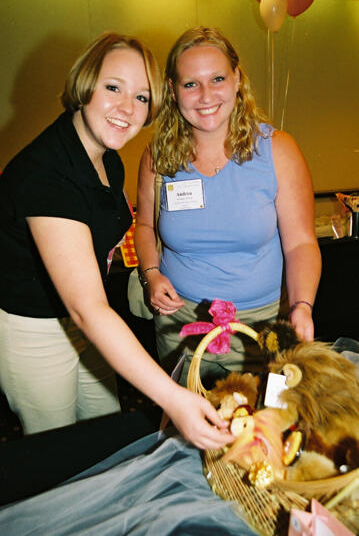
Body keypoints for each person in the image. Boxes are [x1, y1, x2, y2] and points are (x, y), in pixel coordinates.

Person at [0, 31, 234, 450]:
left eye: (142, 97)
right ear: (84, 85)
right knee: (59, 450)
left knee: (104, 429)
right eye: (113, 88)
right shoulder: (46, 174)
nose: (128, 109)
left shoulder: (106, 158)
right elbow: (87, 307)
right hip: (33, 326)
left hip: (86, 318)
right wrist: (174, 398)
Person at [135, 27, 321, 386]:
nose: (205, 95)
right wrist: (152, 274)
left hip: (261, 328)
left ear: (237, 80)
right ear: (172, 90)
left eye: (217, 78)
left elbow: (300, 243)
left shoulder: (277, 150)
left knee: (260, 430)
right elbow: (145, 226)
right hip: (180, 325)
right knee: (187, 427)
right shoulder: (158, 156)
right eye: (191, 84)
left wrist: (302, 305)